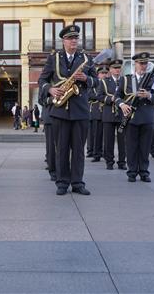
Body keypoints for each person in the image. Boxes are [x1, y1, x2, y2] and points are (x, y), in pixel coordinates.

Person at [38, 25, 97, 196]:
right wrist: (50, 89)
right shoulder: (54, 58)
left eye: (76, 38)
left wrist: (86, 78)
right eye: (70, 39)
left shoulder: (86, 58)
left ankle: (78, 182)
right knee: (61, 148)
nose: (74, 41)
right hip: (60, 110)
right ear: (63, 41)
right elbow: (42, 79)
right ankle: (62, 182)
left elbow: (97, 82)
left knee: (78, 150)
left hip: (80, 110)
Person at [115, 52, 154, 183]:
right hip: (131, 117)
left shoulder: (153, 79)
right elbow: (117, 96)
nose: (143, 66)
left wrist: (149, 96)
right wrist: (122, 104)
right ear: (135, 64)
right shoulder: (126, 79)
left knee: (145, 147)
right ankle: (132, 172)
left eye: (145, 63)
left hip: (147, 117)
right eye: (141, 63)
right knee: (131, 146)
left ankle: (144, 172)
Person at [98, 60, 126, 170]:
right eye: (114, 68)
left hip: (122, 115)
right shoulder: (104, 81)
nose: (117, 70)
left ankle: (122, 162)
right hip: (108, 115)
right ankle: (109, 162)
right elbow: (99, 96)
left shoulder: (124, 81)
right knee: (108, 140)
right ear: (110, 69)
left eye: (119, 68)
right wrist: (111, 99)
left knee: (122, 140)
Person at [87, 67, 107, 162]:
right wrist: (101, 97)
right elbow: (89, 95)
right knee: (96, 134)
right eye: (102, 73)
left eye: (105, 73)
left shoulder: (108, 83)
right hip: (96, 111)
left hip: (107, 111)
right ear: (98, 74)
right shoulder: (94, 84)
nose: (104, 74)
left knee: (106, 135)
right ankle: (95, 152)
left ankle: (105, 152)